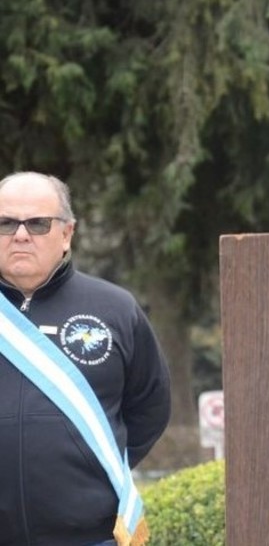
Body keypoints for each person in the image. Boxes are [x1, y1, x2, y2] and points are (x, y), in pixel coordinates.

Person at [0, 172, 171, 546]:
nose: (21, 235)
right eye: (6, 223)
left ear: (66, 234)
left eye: (38, 223)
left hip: (90, 537)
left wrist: (92, 463)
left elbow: (150, 408)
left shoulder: (115, 309)